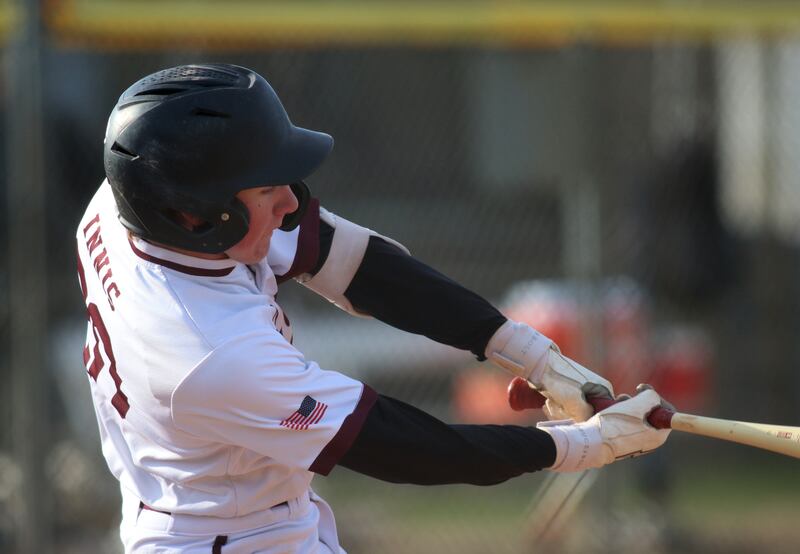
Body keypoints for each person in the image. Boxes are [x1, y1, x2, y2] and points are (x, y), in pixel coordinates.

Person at [76, 63, 671, 553]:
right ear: (194, 214)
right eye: (266, 189)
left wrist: (531, 354)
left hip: (225, 512)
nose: (289, 201)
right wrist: (583, 445)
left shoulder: (130, 199)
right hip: (232, 539)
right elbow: (397, 445)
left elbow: (361, 267)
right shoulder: (210, 353)